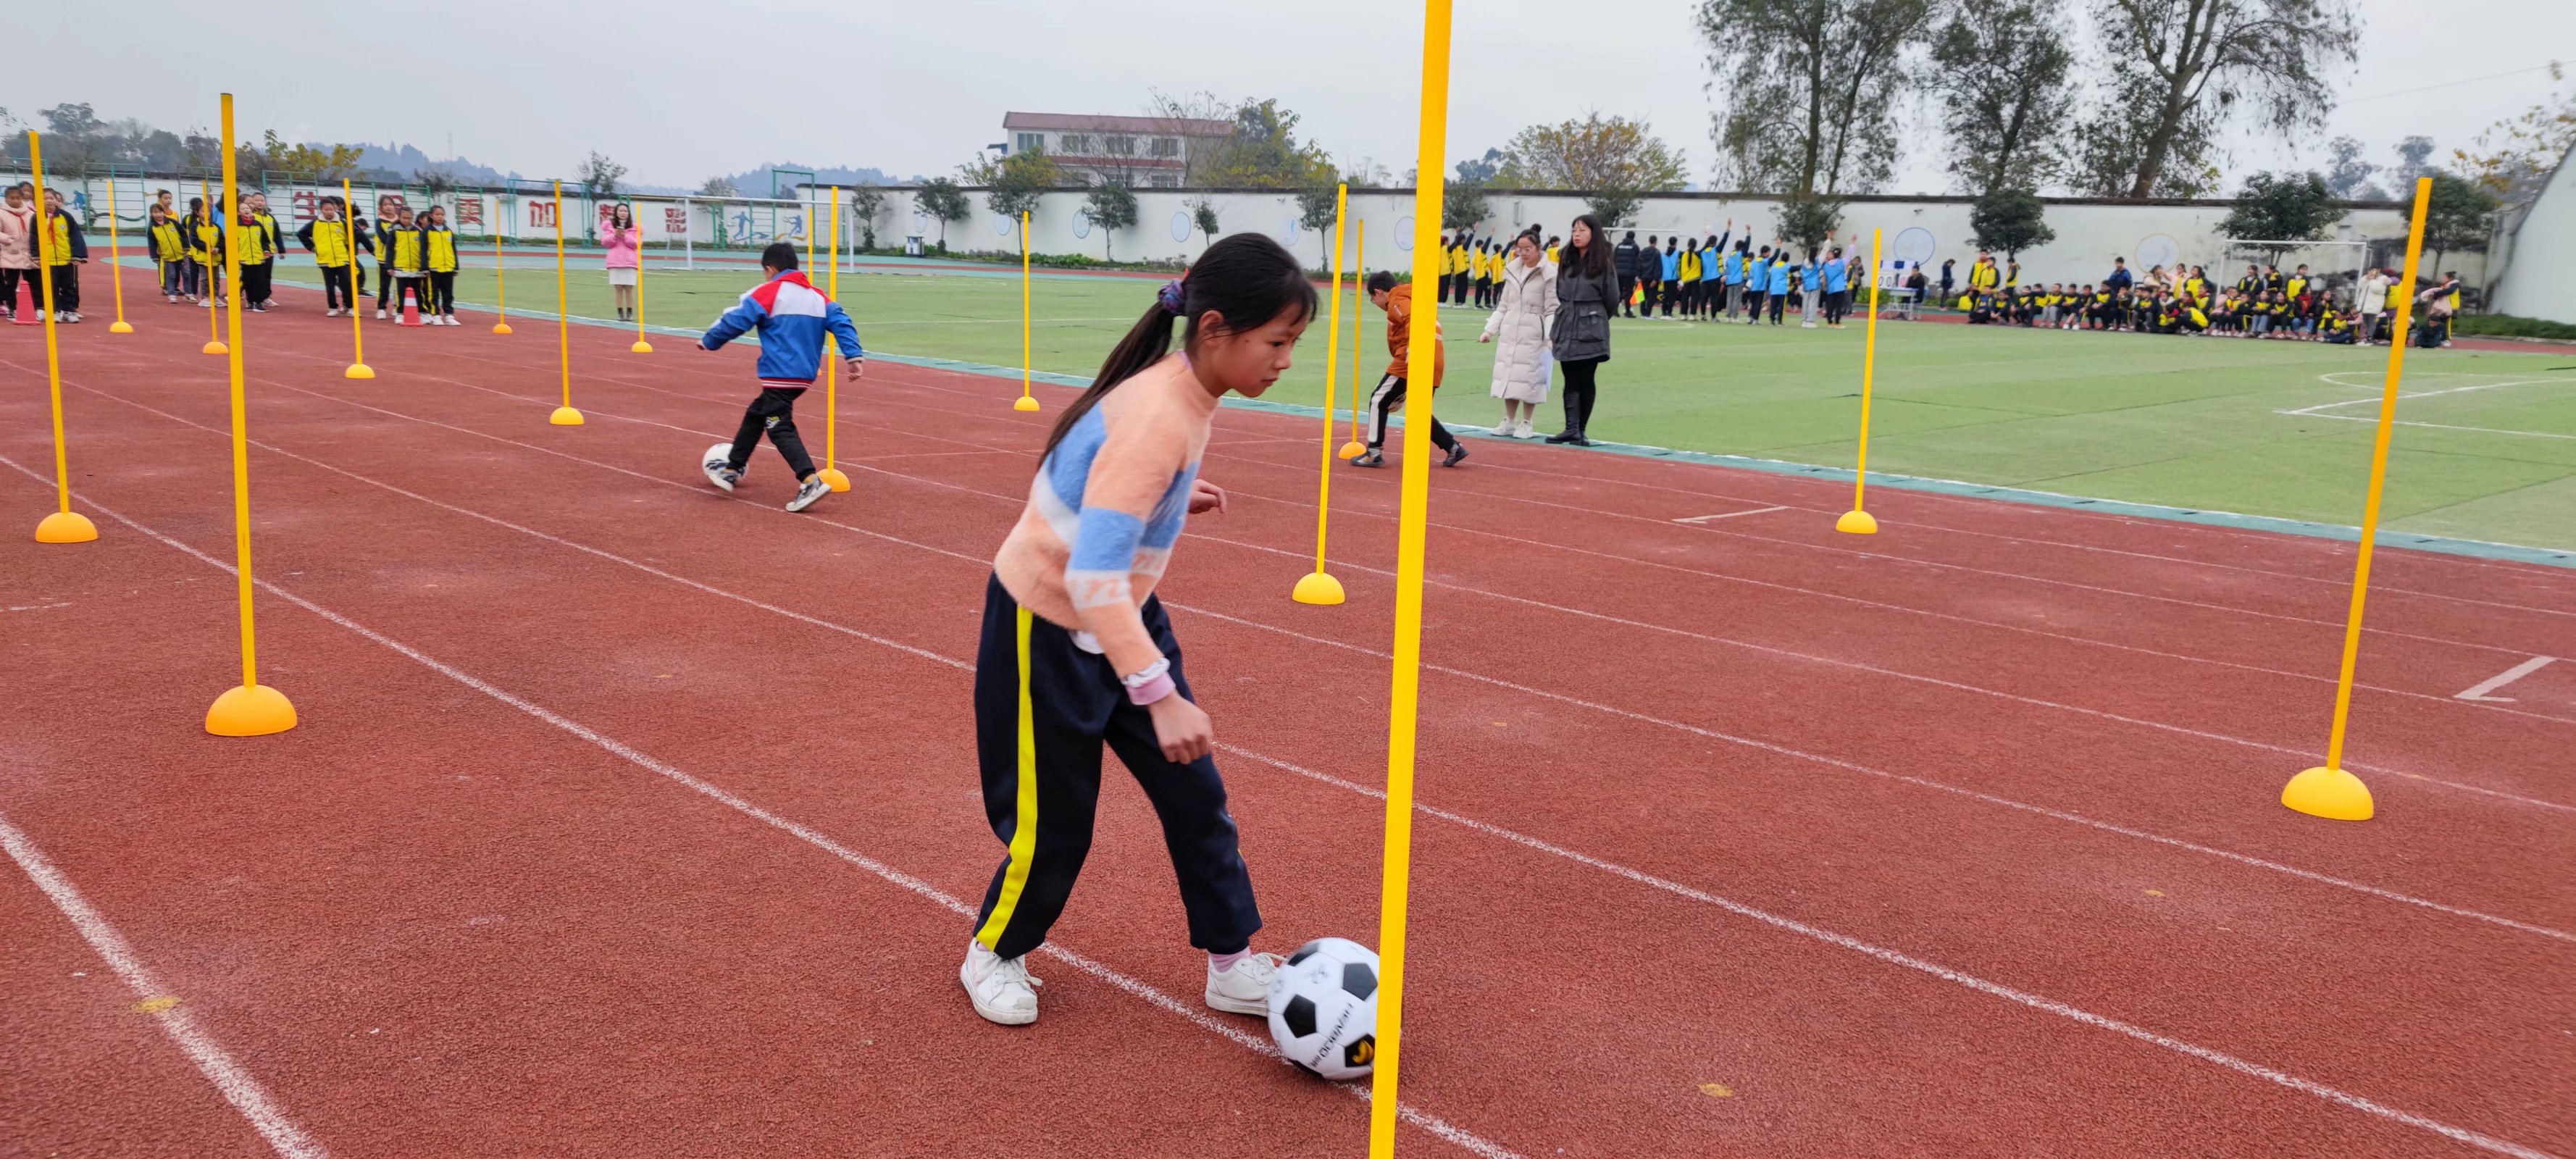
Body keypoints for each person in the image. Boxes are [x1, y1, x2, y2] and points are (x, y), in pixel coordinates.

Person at [960, 234, 1312, 1028]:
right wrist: (1159, 695)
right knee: (1057, 821)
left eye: (1292, 343)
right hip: (1049, 622)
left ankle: (1231, 963)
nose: (1286, 361)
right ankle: (994, 949)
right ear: (1215, 329)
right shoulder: (1158, 413)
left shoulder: (1182, 395)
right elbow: (1089, 575)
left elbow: (1103, 479)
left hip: (1120, 610)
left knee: (1197, 797)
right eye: (1277, 342)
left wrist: (1166, 495)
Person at [697, 242, 866, 512]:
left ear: (770, 269)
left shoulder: (770, 292)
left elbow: (736, 318)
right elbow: (842, 322)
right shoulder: (818, 297)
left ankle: (810, 480)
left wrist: (710, 341)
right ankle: (732, 468)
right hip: (804, 375)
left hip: (779, 373)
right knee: (757, 414)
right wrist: (853, 355)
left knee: (778, 426)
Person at [1354, 269, 1463, 467]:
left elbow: (1412, 319)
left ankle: (1373, 452)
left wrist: (1413, 348)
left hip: (1413, 358)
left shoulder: (1397, 300)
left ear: (1378, 292)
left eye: (1372, 299)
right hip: (1435, 358)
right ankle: (1453, 447)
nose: (1375, 303)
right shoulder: (1413, 297)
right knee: (1418, 411)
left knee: (1378, 399)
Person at [1547, 214, 1615, 447]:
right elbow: (1559, 290)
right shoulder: (1567, 259)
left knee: (1586, 377)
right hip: (1567, 322)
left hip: (1590, 326)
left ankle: (1581, 430)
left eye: (1582, 230)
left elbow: (1612, 298)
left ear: (1593, 234)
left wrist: (1594, 317)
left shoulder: (1603, 263)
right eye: (1574, 230)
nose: (1576, 235)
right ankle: (1571, 429)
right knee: (1569, 377)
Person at [1481, 230, 1556, 439]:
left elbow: (1552, 308)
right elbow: (1503, 305)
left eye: (1527, 249)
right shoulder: (1512, 270)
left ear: (1538, 248)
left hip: (1534, 331)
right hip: (1510, 329)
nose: (1523, 253)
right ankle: (1509, 420)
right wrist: (1489, 330)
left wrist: (1549, 337)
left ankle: (1527, 422)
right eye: (1519, 249)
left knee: (1531, 378)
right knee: (1510, 375)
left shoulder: (1549, 273)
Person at [298, 196, 360, 317]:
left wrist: (349, 249)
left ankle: (351, 307)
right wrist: (312, 247)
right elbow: (301, 234)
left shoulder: (342, 222)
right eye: (326, 210)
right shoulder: (315, 223)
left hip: (342, 258)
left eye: (331, 209)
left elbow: (353, 235)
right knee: (330, 286)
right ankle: (333, 308)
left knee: (347, 284)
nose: (329, 212)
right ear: (321, 210)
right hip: (325, 259)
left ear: (335, 209)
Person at [38, 188, 88, 322]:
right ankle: (54, 311)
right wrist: (36, 255)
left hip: (66, 259)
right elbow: (34, 238)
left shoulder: (66, 217)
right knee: (52, 287)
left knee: (69, 286)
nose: (49, 201)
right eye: (45, 198)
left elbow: (75, 236)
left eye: (53, 198)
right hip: (48, 260)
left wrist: (77, 255)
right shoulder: (37, 218)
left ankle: (69, 311)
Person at [226, 194, 271, 314]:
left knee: (259, 281)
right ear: (238, 212)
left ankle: (258, 302)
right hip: (245, 258)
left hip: (258, 258)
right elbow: (231, 242)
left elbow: (265, 240)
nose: (246, 210)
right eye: (243, 208)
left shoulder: (258, 225)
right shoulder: (236, 226)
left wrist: (266, 250)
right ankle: (251, 302)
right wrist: (235, 256)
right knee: (248, 281)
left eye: (247, 208)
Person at [0, 183, 37, 319]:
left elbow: (37, 231)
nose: (15, 201)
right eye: (12, 198)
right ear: (6, 199)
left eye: (18, 198)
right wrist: (8, 239)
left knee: (34, 282)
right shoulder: (2, 213)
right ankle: (12, 308)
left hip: (29, 253)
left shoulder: (31, 213)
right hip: (11, 253)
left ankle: (36, 308)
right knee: (11, 283)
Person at [384, 206, 428, 318]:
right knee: (401, 292)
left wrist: (424, 266)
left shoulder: (418, 231)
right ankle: (400, 313)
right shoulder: (394, 231)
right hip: (401, 267)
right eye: (404, 218)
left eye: (409, 218)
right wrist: (389, 266)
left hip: (416, 267)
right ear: (399, 217)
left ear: (412, 218)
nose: (406, 220)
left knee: (418, 292)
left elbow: (423, 250)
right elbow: (389, 249)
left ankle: (422, 312)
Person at [241, 192, 283, 311]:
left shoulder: (270, 218)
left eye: (262, 200)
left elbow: (276, 234)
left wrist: (281, 249)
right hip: (251, 253)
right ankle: (250, 299)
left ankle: (265, 297)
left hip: (267, 252)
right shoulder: (250, 218)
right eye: (257, 200)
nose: (260, 203)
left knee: (266, 276)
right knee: (250, 277)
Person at [421, 205, 461, 325]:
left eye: (442, 214)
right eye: (437, 214)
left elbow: (453, 249)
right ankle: (436, 315)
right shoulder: (427, 232)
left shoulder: (448, 231)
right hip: (434, 268)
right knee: (433, 294)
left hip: (448, 267)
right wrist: (425, 268)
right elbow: (423, 251)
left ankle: (449, 315)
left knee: (448, 293)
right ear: (431, 216)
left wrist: (455, 267)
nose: (440, 217)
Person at [602, 203, 642, 322]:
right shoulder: (610, 226)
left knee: (629, 288)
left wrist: (625, 236)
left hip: (630, 261)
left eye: (625, 211)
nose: (623, 213)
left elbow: (636, 244)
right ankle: (620, 313)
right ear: (616, 212)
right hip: (615, 261)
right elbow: (605, 242)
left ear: (628, 213)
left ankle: (629, 313)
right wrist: (614, 235)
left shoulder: (634, 227)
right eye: (620, 211)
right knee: (618, 288)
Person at [372, 195, 407, 317]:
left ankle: (398, 308)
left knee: (400, 286)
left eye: (390, 204)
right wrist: (394, 242)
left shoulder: (400, 222)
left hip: (399, 259)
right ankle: (381, 308)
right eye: (385, 205)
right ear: (381, 208)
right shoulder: (379, 222)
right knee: (384, 285)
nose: (388, 207)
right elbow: (383, 238)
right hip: (384, 259)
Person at [149, 203, 188, 304]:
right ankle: (171, 294)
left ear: (163, 212)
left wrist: (186, 247)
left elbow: (183, 233)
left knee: (184, 274)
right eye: (155, 212)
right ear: (151, 214)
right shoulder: (152, 228)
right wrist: (154, 256)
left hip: (180, 254)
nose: (158, 214)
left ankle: (184, 291)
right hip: (167, 256)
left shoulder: (172, 222)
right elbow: (152, 243)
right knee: (171, 275)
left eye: (160, 212)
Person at [1820, 243, 1851, 327]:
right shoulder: (1842, 262)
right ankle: (1837, 322)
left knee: (1830, 305)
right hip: (1840, 287)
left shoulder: (1826, 265)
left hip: (1830, 288)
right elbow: (1849, 255)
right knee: (1839, 306)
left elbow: (1825, 276)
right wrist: (1852, 244)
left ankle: (1830, 322)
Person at [1613, 230, 1641, 317]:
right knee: (1629, 293)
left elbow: (1614, 257)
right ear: (1633, 237)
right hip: (1630, 274)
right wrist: (1638, 272)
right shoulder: (1635, 247)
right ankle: (1628, 311)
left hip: (1618, 273)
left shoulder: (1619, 246)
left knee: (1618, 292)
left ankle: (1615, 311)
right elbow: (1638, 259)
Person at [1656, 235, 1680, 318]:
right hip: (1674, 277)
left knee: (1666, 294)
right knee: (1672, 296)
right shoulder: (1677, 253)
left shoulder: (1663, 254)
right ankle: (1669, 312)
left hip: (1665, 277)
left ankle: (1664, 311)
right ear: (1675, 243)